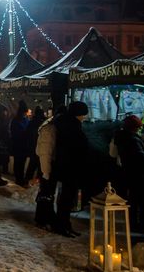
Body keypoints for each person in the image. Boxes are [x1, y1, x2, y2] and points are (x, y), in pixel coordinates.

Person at [53, 101, 89, 237]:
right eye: (83, 114)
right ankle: (62, 225)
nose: (84, 117)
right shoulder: (71, 126)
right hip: (70, 166)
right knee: (67, 198)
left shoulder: (66, 124)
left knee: (67, 198)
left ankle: (65, 224)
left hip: (68, 166)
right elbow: (75, 147)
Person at [113, 115, 144, 229]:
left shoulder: (124, 137)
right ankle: (140, 222)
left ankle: (133, 221)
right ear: (135, 127)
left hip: (129, 171)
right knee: (140, 199)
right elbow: (141, 157)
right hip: (138, 173)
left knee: (133, 198)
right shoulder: (132, 139)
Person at [10, 100, 31, 187]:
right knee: (19, 162)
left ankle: (20, 178)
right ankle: (19, 179)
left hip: (22, 145)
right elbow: (15, 132)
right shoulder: (17, 121)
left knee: (20, 162)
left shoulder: (22, 120)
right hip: (19, 144)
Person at [25, 106, 46, 184]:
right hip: (40, 147)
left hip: (33, 147)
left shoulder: (32, 122)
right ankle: (37, 182)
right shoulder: (43, 123)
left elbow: (27, 134)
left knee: (32, 165)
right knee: (40, 166)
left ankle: (28, 180)